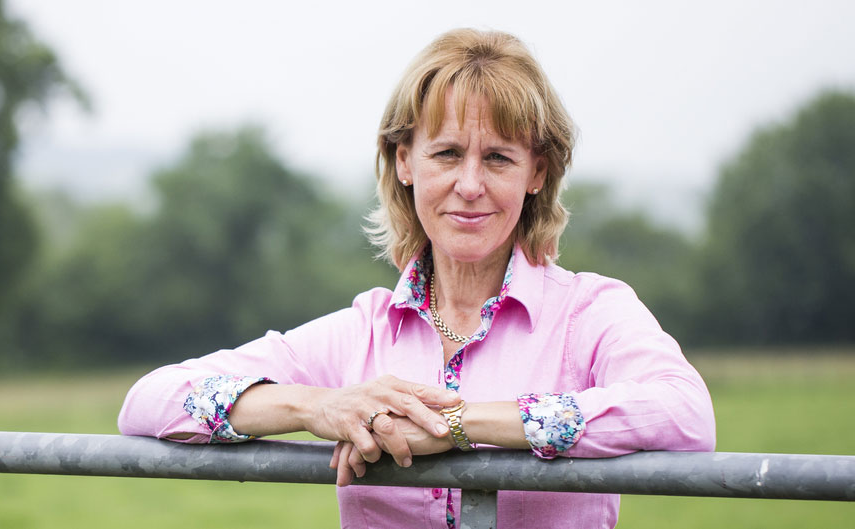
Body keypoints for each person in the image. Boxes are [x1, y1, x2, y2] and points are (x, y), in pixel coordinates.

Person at [118, 28, 716, 529]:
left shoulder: (591, 312)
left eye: (499, 158)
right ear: (404, 160)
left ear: (538, 171)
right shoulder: (363, 332)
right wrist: (318, 407)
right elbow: (149, 402)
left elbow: (685, 413)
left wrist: (455, 426)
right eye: (448, 153)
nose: (471, 184)